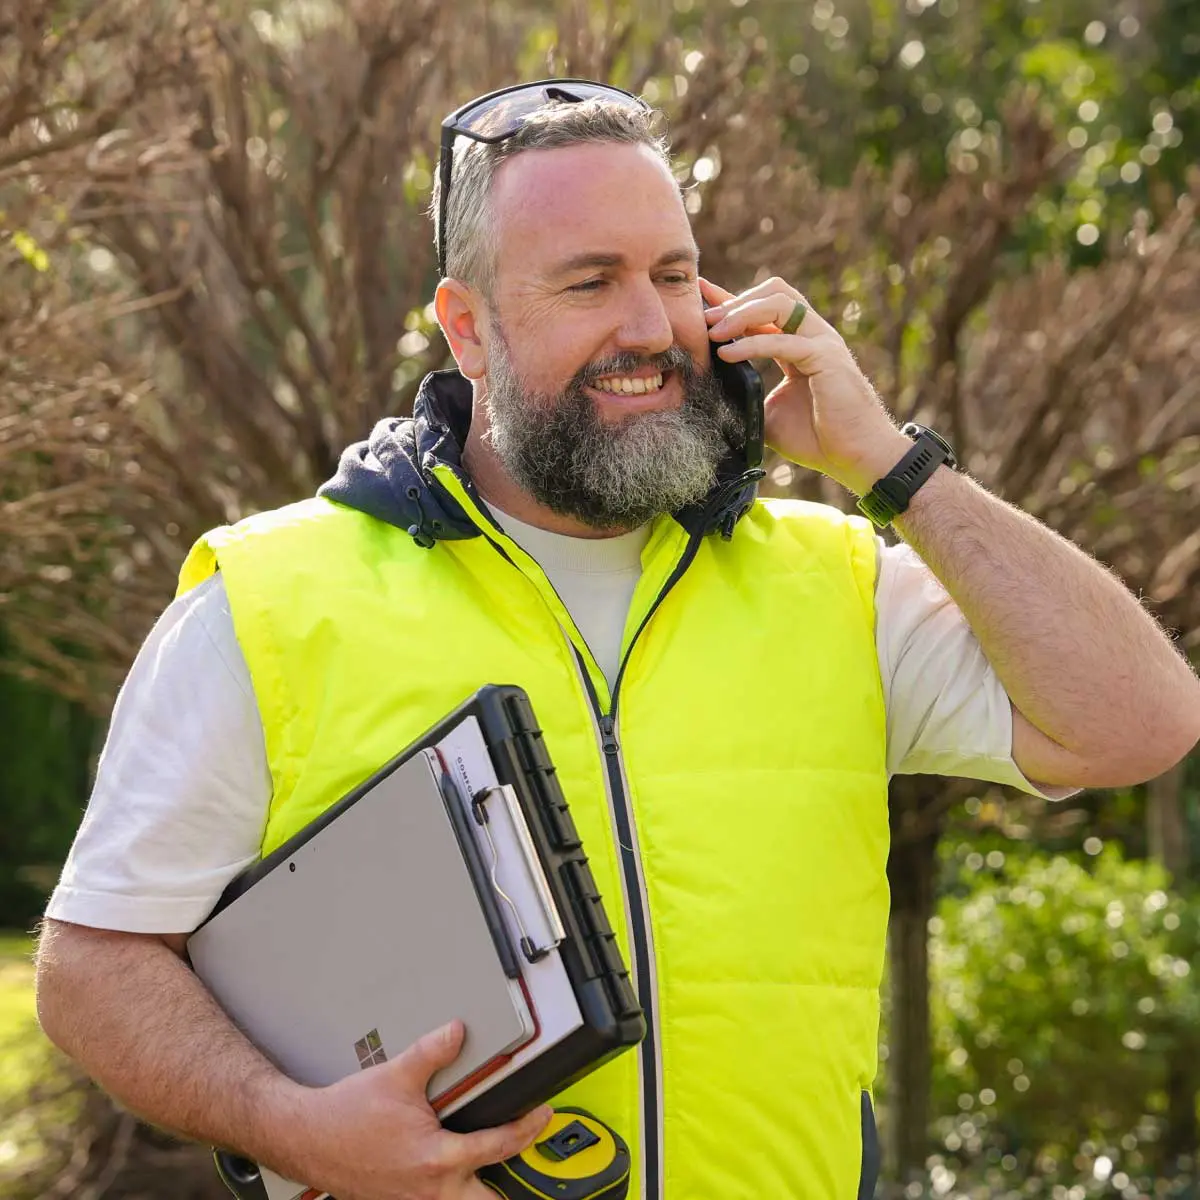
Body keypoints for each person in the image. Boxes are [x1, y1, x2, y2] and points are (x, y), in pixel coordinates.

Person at [35, 79, 1200, 1200]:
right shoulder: (272, 599)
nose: (651, 326)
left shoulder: (839, 581)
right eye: (589, 282)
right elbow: (92, 968)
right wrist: (291, 1128)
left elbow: (1140, 722)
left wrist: (889, 465)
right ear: (468, 328)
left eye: (675, 273)